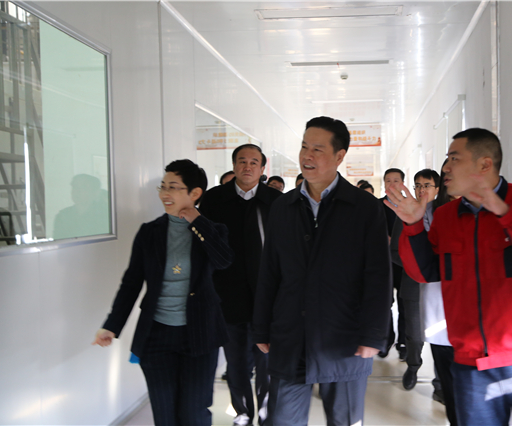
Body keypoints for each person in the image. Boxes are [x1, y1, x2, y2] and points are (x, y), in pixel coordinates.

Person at [386, 128, 512, 426]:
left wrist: (504, 211)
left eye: (454, 159)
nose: (446, 168)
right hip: (471, 360)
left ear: (485, 164)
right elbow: (425, 272)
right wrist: (414, 226)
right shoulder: (446, 216)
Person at [253, 116, 392, 426]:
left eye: (317, 149)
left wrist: (373, 333)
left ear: (339, 156)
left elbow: (378, 276)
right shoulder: (283, 207)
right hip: (291, 336)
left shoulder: (364, 208)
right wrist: (261, 326)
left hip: (344, 340)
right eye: (304, 147)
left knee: (345, 420)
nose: (307, 155)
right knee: (282, 420)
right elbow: (270, 272)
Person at [92, 159, 233, 426]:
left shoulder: (214, 230)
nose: (165, 194)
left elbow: (224, 261)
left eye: (173, 187)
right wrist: (112, 325)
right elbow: (131, 283)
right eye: (163, 186)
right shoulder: (150, 232)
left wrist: (197, 221)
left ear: (195, 193)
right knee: (164, 415)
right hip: (157, 335)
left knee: (194, 413)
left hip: (200, 334)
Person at [200, 144, 281, 426]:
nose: (248, 167)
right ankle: (243, 412)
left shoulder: (276, 201)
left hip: (267, 297)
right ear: (234, 165)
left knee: (267, 362)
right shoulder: (214, 199)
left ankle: (266, 414)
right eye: (242, 161)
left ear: (262, 168)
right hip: (227, 295)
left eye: (253, 162)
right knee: (236, 363)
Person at [389, 169, 440, 392]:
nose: (421, 190)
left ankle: (440, 381)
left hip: (441, 286)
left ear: (437, 189)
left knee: (441, 335)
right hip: (413, 282)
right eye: (417, 185)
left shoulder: (446, 213)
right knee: (414, 333)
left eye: (426, 185)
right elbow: (394, 251)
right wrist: (417, 264)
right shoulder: (404, 213)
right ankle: (413, 366)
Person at [415, 166, 458, 425]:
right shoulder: (429, 213)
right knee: (446, 362)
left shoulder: (487, 210)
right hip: (437, 297)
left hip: (472, 311)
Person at [379, 168, 407, 360]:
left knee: (405, 303)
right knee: (384, 303)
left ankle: (404, 342)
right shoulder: (376, 205)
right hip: (384, 262)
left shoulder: (410, 205)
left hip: (405, 263)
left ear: (402, 183)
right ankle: (385, 340)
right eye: (388, 180)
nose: (392, 184)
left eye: (396, 180)